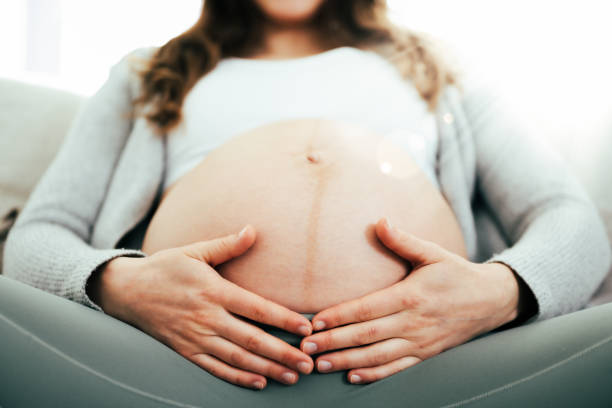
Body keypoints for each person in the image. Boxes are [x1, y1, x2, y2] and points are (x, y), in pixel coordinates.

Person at [2, 0, 612, 406]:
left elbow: (569, 218)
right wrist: (117, 284)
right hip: (174, 366)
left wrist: (498, 294)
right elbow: (41, 234)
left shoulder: (444, 68)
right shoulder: (147, 73)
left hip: (429, 369)